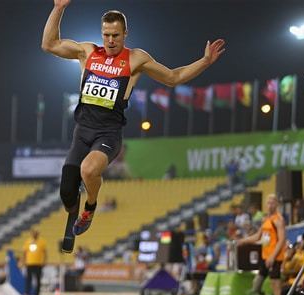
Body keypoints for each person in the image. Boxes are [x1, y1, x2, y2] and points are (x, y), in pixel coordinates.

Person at [42, 0, 225, 243]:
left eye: (115, 35)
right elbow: (49, 44)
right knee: (66, 195)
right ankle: (74, 199)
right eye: (106, 35)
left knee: (88, 169)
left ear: (125, 34)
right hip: (82, 132)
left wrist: (204, 62)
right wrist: (58, 8)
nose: (110, 41)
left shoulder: (136, 59)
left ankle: (91, 206)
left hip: (107, 134)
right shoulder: (87, 52)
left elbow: (173, 77)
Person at [236, 194, 286, 295]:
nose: (270, 204)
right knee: (256, 284)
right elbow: (258, 236)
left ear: (277, 204)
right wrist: (244, 241)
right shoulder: (266, 219)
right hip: (265, 257)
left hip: (274, 258)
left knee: (276, 286)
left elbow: (281, 240)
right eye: (268, 202)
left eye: (272, 202)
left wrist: (273, 256)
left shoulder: (278, 220)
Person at [23, 229, 47, 295]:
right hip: (29, 263)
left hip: (38, 263)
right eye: (33, 233)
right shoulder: (27, 241)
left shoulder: (42, 241)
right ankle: (27, 293)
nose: (34, 234)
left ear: (38, 234)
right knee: (28, 279)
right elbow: (25, 252)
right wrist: (24, 261)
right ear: (31, 234)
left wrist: (44, 261)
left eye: (36, 233)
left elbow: (45, 252)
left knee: (38, 279)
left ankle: (37, 294)